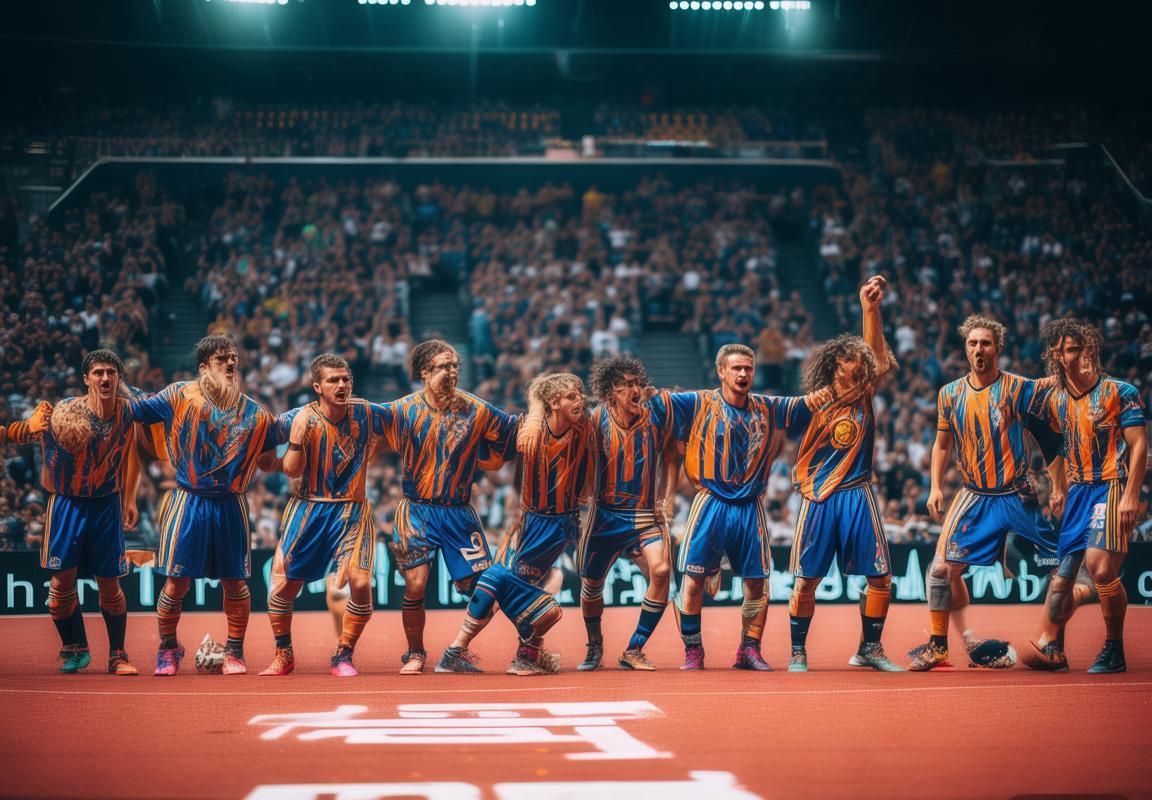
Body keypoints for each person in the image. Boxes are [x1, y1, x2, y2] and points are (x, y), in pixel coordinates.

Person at [669, 345, 835, 671]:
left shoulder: (768, 407)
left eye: (748, 368)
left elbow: (807, 403)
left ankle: (749, 648)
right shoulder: (697, 402)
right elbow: (656, 406)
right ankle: (693, 650)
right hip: (710, 502)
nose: (743, 373)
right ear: (721, 371)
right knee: (693, 580)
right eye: (736, 368)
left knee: (757, 582)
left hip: (749, 505)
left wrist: (839, 380)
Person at [908, 316, 1058, 671]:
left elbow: (1054, 394)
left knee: (1066, 566)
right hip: (974, 496)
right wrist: (934, 486)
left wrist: (1071, 365)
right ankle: (939, 646)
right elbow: (941, 444)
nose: (979, 349)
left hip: (1019, 494)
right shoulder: (949, 394)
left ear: (998, 347)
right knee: (941, 570)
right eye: (973, 343)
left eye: (986, 343)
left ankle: (1053, 644)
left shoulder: (1018, 388)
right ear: (965, 348)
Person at [127, 335, 280, 676]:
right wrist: (111, 381)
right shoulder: (179, 394)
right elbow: (135, 409)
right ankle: (168, 648)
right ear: (203, 367)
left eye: (233, 358)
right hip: (189, 501)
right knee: (176, 583)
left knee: (235, 583)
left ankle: (234, 651)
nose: (230, 363)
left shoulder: (255, 413)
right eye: (222, 358)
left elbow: (274, 452)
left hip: (230, 504)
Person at [377, 339, 519, 674]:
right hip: (416, 510)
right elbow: (361, 425)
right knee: (416, 584)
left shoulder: (477, 409)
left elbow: (513, 432)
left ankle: (457, 652)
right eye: (444, 366)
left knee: (487, 589)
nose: (452, 371)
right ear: (425, 373)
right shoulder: (401, 410)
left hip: (459, 511)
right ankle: (415, 653)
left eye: (455, 365)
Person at [437, 373, 594, 674]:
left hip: (560, 525)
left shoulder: (584, 426)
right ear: (553, 402)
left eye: (580, 394)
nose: (581, 400)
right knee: (511, 583)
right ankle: (522, 652)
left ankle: (484, 651)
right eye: (572, 396)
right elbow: (520, 446)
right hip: (534, 520)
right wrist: (534, 410)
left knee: (507, 578)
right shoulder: (530, 427)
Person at [785, 277, 903, 672]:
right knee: (806, 581)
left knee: (881, 577)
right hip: (820, 496)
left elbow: (879, 359)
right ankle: (798, 651)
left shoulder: (864, 393)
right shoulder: (813, 403)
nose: (863, 363)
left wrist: (871, 310)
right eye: (854, 358)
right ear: (837, 364)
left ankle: (870, 648)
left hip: (857, 492)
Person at [4, 349, 141, 675]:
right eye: (98, 372)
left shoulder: (128, 412)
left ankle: (118, 655)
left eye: (111, 372)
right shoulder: (65, 412)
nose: (105, 378)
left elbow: (132, 453)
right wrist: (25, 427)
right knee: (60, 585)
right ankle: (75, 648)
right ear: (86, 379)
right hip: (67, 503)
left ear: (118, 378)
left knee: (110, 585)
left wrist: (131, 498)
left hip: (106, 503)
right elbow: (18, 432)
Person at [1022, 319, 1147, 674]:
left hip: (1111, 485)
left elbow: (1139, 444)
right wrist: (1057, 485)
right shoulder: (1057, 398)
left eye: (1073, 349)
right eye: (1059, 351)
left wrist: (1131, 495)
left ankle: (1114, 649)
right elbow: (1047, 438)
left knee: (1100, 566)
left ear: (1089, 349)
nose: (1067, 358)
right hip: (1077, 492)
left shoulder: (1121, 392)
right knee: (1061, 580)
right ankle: (1053, 651)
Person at [260, 354, 389, 678]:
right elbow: (285, 465)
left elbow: (404, 420)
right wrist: (290, 446)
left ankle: (344, 652)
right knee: (283, 588)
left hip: (353, 509)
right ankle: (283, 653)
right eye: (333, 380)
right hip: (309, 507)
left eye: (346, 379)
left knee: (361, 583)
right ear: (317, 386)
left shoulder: (368, 412)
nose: (341, 385)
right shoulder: (298, 417)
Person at [576, 356, 676, 671]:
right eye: (626, 385)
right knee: (591, 584)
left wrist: (668, 496)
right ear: (610, 392)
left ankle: (634, 648)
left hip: (644, 513)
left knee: (661, 571)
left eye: (637, 383)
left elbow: (672, 454)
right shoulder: (593, 419)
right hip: (605, 515)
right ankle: (594, 644)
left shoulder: (656, 417)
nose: (635, 390)